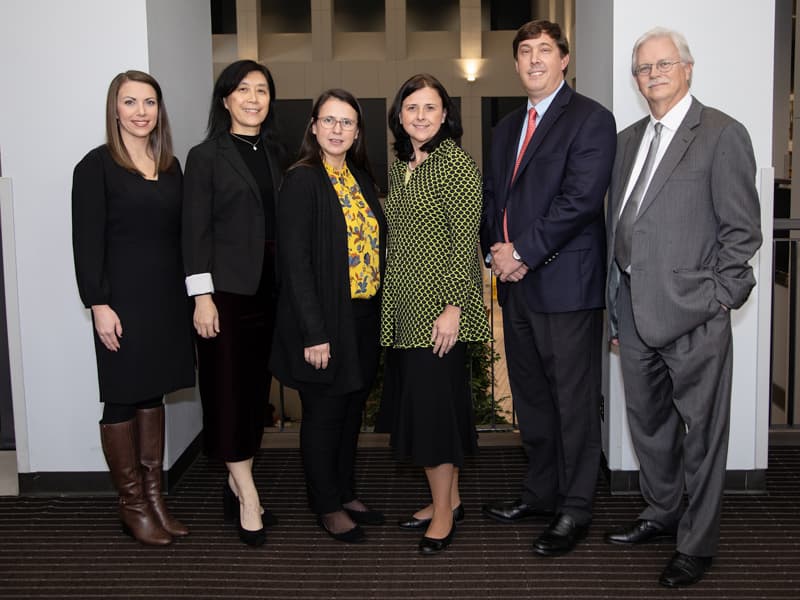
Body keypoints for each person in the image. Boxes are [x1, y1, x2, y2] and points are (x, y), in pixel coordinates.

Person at [604, 28, 762, 587]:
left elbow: (742, 233)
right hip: (634, 313)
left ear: (687, 69)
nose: (653, 75)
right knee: (649, 429)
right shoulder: (627, 141)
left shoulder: (721, 134)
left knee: (702, 434)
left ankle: (697, 543)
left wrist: (719, 298)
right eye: (644, 68)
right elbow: (618, 232)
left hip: (695, 315)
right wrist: (616, 310)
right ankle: (662, 512)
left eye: (663, 64)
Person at [479, 20, 616, 557]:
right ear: (515, 64)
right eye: (524, 52)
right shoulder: (505, 126)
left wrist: (523, 253)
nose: (534, 59)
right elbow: (494, 198)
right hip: (515, 287)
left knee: (574, 403)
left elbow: (580, 201)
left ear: (564, 59)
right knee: (531, 399)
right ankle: (539, 494)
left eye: (544, 50)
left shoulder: (591, 120)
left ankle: (575, 508)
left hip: (565, 284)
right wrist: (496, 249)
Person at [72, 70, 195, 546]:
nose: (141, 111)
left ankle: (155, 497)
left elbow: (179, 237)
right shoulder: (95, 167)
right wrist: (98, 304)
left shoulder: (171, 166)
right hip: (120, 302)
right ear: (115, 109)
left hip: (164, 300)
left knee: (153, 393)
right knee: (122, 395)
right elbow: (87, 244)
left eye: (149, 102)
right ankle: (131, 504)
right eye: (130, 102)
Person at [377, 73, 490, 556]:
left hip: (438, 312)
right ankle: (450, 498)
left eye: (430, 107)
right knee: (425, 410)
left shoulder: (456, 165)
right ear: (399, 117)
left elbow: (464, 245)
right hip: (403, 308)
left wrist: (452, 309)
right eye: (411, 108)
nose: (420, 116)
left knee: (434, 417)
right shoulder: (404, 162)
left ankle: (443, 514)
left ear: (446, 114)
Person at [271, 89, 386, 544]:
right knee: (324, 414)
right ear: (314, 127)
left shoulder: (359, 176)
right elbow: (295, 263)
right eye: (330, 120)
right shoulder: (302, 180)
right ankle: (325, 504)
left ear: (357, 131)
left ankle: (344, 491)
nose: (338, 129)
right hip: (323, 321)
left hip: (361, 316)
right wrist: (314, 333)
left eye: (348, 122)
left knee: (352, 410)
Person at [182, 59, 284, 547]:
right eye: (242, 89)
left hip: (269, 295)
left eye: (261, 90)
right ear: (225, 100)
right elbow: (194, 232)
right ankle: (247, 495)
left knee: (253, 394)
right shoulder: (205, 156)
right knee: (226, 393)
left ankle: (236, 479)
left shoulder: (278, 154)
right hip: (223, 298)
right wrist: (202, 296)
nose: (252, 98)